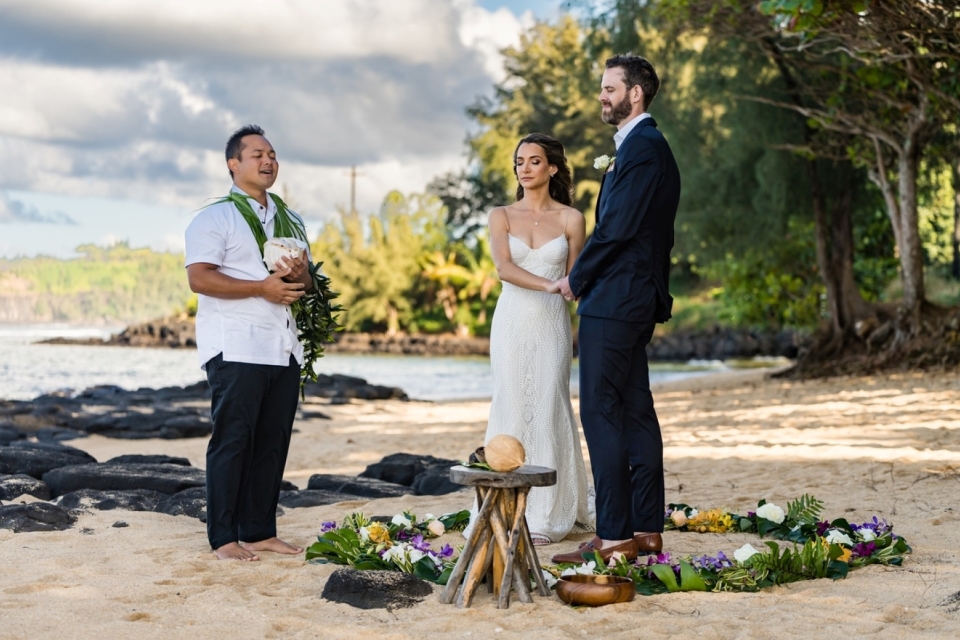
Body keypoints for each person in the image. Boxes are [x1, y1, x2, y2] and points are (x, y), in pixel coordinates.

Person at [552, 54, 681, 564]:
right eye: (602, 89)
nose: (602, 97)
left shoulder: (644, 147)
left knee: (601, 412)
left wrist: (576, 278)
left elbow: (619, 227)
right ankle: (645, 529)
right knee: (634, 409)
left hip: (617, 297)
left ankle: (613, 536)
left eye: (610, 88)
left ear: (636, 94)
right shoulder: (644, 146)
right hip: (634, 298)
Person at [184, 124, 311, 561]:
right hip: (236, 345)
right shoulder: (214, 217)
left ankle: (259, 530)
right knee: (233, 440)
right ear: (233, 164)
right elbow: (199, 278)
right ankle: (223, 539)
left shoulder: (290, 218)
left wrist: (298, 277)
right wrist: (262, 288)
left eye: (273, 154)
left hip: (283, 345)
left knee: (273, 441)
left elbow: (307, 280)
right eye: (257, 154)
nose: (268, 160)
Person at [473, 132, 594, 545]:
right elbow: (504, 269)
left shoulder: (571, 219)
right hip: (512, 319)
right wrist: (550, 286)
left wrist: (570, 288)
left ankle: (546, 514)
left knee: (548, 402)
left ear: (553, 168)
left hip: (551, 325)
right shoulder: (500, 215)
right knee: (510, 398)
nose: (524, 168)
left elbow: (576, 279)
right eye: (519, 162)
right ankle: (503, 505)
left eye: (534, 161)